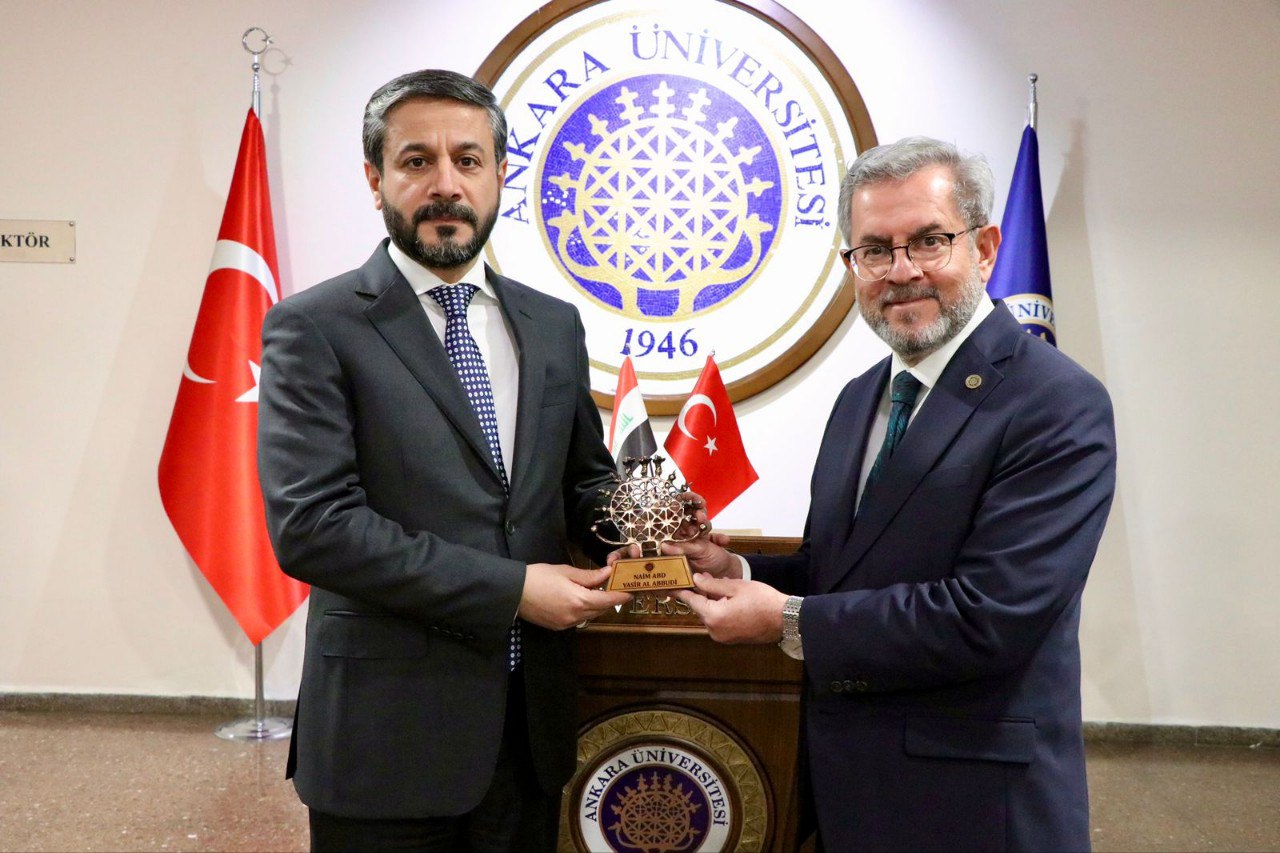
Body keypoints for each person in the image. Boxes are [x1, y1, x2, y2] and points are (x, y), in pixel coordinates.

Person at [662, 137, 1117, 851]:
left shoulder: (1056, 402)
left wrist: (786, 619)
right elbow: (843, 571)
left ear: (985, 248)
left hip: (977, 809)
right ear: (853, 266)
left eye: (929, 241)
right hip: (849, 795)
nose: (902, 272)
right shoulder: (860, 398)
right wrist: (738, 570)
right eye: (875, 250)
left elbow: (990, 616)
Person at [256, 69, 634, 852]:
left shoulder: (553, 324)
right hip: (384, 741)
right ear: (375, 180)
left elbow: (579, 481)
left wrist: (640, 527)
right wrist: (513, 589)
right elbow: (315, 528)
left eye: (467, 159)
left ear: (500, 174)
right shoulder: (314, 327)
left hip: (527, 736)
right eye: (416, 161)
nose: (445, 185)